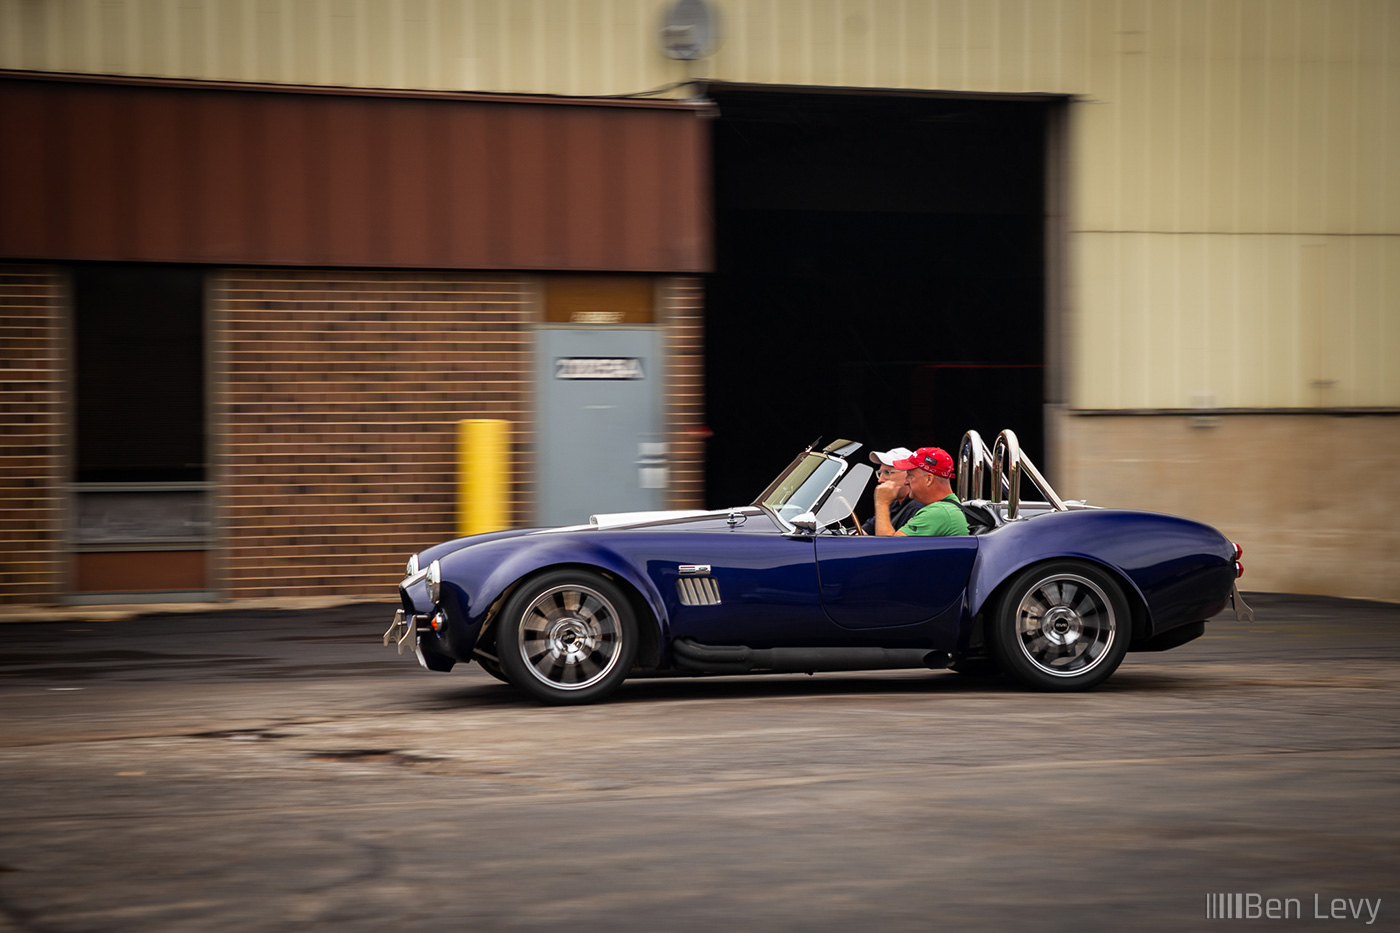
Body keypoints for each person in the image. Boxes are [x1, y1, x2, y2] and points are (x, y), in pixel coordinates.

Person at [873, 446, 969, 537]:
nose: (906, 482)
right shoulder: (945, 508)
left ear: (928, 479)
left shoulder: (939, 512)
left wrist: (882, 503)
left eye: (910, 476)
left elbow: (888, 548)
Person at [857, 447, 924, 535]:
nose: (880, 480)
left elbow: (889, 546)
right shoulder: (894, 504)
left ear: (909, 475)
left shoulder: (917, 508)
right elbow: (863, 532)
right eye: (880, 473)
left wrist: (881, 503)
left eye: (888, 472)